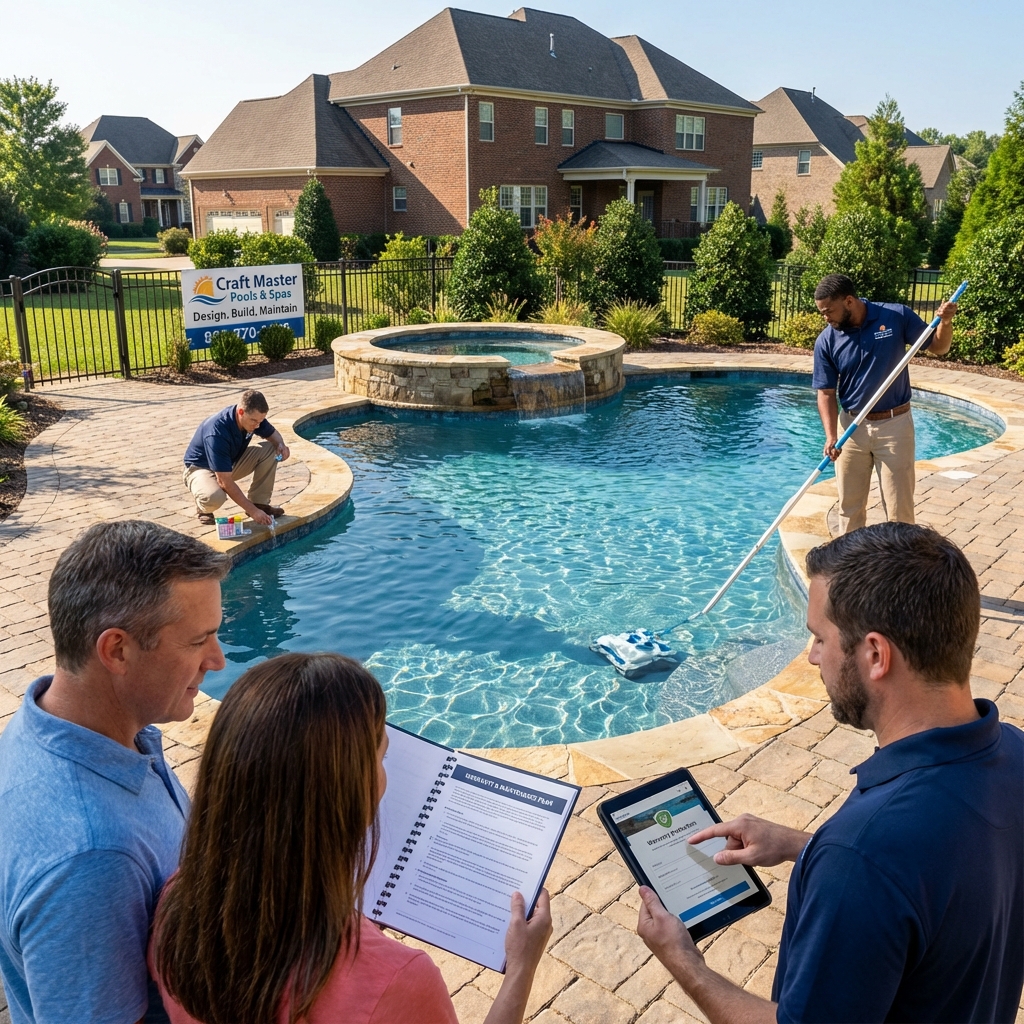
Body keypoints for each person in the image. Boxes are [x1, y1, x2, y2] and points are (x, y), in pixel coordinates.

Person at [636, 522, 1024, 1023]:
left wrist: (683, 960)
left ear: (876, 655)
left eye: (820, 638)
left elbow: (884, 865)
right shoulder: (1013, 753)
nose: (814, 656)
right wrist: (806, 847)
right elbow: (944, 879)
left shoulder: (863, 853)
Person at [149, 652, 551, 1024]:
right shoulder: (398, 983)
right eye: (380, 758)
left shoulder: (176, 909)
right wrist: (521, 968)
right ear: (347, 793)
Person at [0, 521, 230, 1024]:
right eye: (198, 641)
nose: (217, 660)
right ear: (117, 651)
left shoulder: (63, 731)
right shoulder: (93, 857)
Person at [812, 273, 958, 534]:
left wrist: (945, 321)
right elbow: (825, 392)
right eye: (822, 312)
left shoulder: (895, 316)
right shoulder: (827, 339)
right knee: (849, 507)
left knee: (899, 509)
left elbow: (938, 347)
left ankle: (900, 569)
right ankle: (851, 566)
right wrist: (831, 435)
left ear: (848, 301)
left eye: (829, 311)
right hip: (851, 429)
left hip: (894, 426)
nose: (826, 318)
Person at [182, 388, 291, 527]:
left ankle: (260, 503)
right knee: (214, 497)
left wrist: (280, 445)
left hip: (228, 463)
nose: (258, 425)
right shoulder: (217, 432)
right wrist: (252, 512)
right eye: (254, 421)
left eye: (261, 421)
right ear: (241, 412)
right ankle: (203, 506)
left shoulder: (254, 417)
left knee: (270, 449)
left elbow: (273, 435)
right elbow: (224, 481)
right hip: (200, 469)